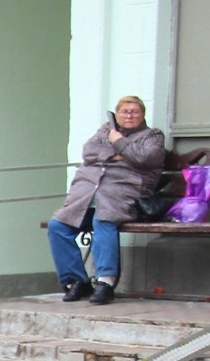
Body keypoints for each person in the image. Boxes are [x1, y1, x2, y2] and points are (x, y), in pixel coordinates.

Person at [48, 96, 166, 305]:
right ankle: (77, 280)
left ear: (142, 115)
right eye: (124, 111)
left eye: (134, 111)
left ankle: (105, 282)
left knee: (103, 220)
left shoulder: (152, 136)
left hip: (124, 194)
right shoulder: (105, 130)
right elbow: (89, 152)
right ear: (117, 114)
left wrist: (117, 142)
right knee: (57, 226)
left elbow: (145, 158)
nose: (129, 115)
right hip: (87, 195)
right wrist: (121, 154)